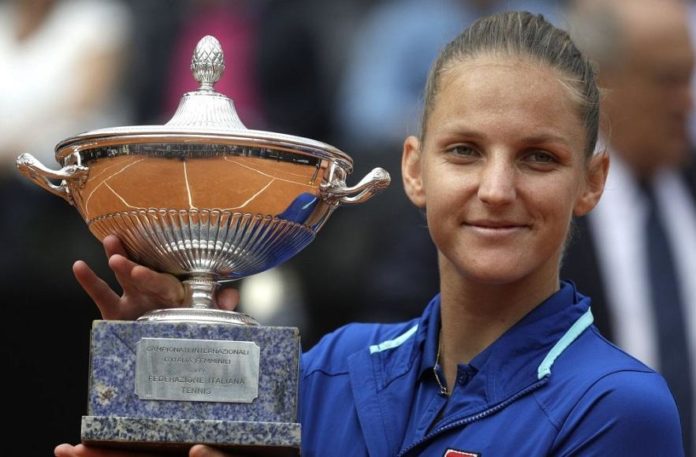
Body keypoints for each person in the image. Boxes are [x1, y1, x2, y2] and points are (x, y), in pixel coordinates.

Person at [54, 11, 685, 456]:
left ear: (591, 182)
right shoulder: (330, 370)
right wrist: (170, 375)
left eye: (538, 158)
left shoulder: (619, 409)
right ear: (414, 169)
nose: (496, 189)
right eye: (464, 151)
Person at [562, 0, 696, 452]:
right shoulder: (541, 206)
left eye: (690, 78)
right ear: (601, 84)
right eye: (668, 80)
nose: (688, 102)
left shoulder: (689, 181)